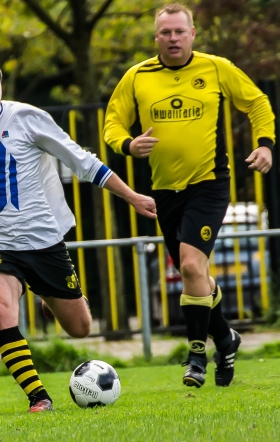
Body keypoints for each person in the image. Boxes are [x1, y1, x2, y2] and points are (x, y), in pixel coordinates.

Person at [0, 53, 157, 412]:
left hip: (43, 241)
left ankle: (48, 299)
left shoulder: (28, 117)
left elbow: (83, 162)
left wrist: (132, 196)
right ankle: (38, 397)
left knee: (80, 328)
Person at [104, 3, 275, 388]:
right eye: (166, 32)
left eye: (180, 31)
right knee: (192, 273)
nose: (173, 38)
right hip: (165, 189)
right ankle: (227, 338)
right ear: (156, 38)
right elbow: (112, 123)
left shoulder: (216, 68)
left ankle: (196, 354)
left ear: (193, 34)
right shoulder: (137, 77)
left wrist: (264, 144)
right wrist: (128, 145)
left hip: (209, 183)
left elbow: (257, 102)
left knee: (192, 266)